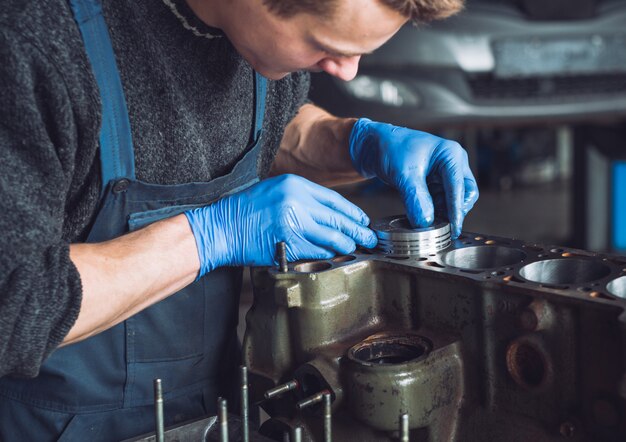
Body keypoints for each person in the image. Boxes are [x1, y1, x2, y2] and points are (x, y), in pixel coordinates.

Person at [0, 0, 478, 439]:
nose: (348, 73)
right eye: (325, 47)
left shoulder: (247, 34)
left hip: (217, 405)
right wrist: (211, 236)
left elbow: (273, 128)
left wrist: (355, 142)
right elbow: (13, 303)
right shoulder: (35, 43)